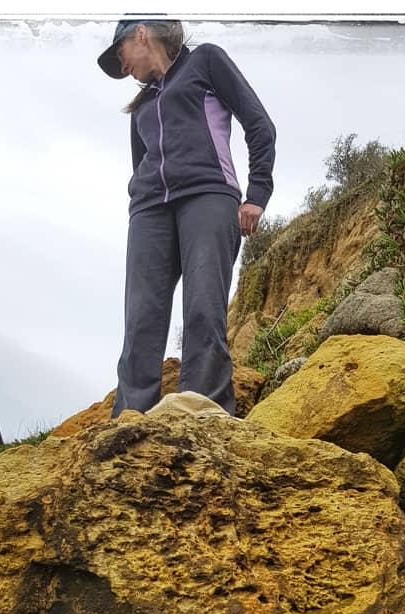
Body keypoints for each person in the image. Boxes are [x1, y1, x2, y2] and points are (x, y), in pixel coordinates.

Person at [96, 18, 276, 418]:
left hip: (207, 196)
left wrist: (257, 194)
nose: (122, 67)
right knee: (140, 320)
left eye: (120, 54)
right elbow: (140, 165)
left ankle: (201, 413)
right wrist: (139, 200)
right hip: (149, 211)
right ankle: (129, 422)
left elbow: (259, 124)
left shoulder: (205, 61)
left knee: (203, 310)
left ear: (141, 33)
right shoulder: (141, 106)